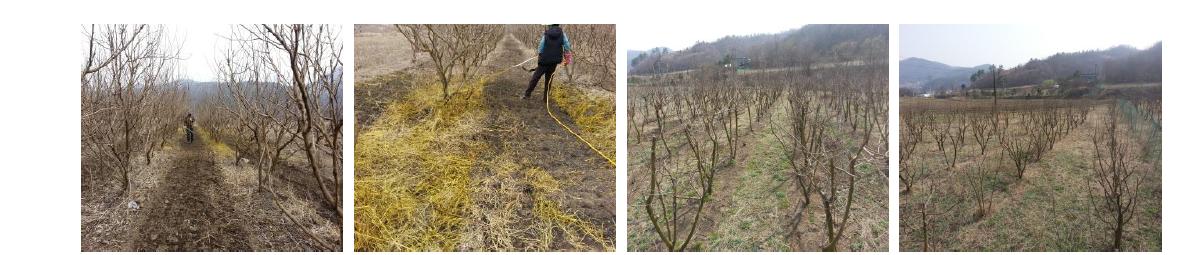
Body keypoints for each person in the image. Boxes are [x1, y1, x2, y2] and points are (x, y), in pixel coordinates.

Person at [522, 24, 571, 101]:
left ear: (550, 25)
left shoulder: (546, 33)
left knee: (536, 77)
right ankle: (546, 98)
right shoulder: (562, 34)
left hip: (544, 60)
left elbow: (541, 47)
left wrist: (540, 55)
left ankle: (527, 94)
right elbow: (567, 46)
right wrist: (567, 59)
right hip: (554, 61)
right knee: (549, 79)